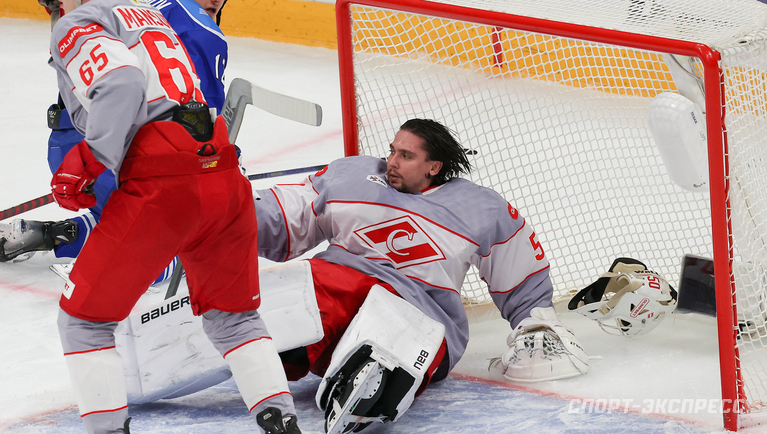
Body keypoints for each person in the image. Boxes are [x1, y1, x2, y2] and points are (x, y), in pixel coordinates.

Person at [47, 0, 301, 433]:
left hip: (164, 187)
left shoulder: (80, 19)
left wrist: (91, 157)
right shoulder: (148, 12)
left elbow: (121, 83)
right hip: (222, 175)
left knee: (84, 322)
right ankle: (283, 423)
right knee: (234, 318)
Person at [252, 118, 590, 433]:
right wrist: (235, 209)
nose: (392, 162)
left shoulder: (479, 208)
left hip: (421, 310)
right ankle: (264, 346)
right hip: (338, 285)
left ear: (434, 167)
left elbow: (518, 267)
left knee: (394, 338)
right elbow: (287, 213)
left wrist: (535, 319)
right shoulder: (352, 176)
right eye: (392, 151)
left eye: (406, 156)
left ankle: (374, 384)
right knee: (292, 297)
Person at [0, 0, 228, 274]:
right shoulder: (198, 27)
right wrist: (224, 165)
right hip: (114, 158)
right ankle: (109, 267)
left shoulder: (132, 7)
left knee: (123, 217)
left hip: (67, 146)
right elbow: (202, 123)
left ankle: (56, 234)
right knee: (198, 235)